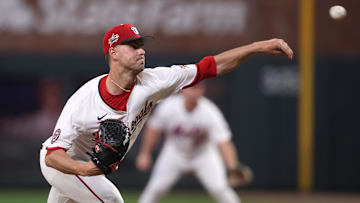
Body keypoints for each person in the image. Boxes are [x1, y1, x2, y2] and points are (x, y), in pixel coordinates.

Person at [39, 23, 293, 203]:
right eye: (132, 45)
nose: (142, 50)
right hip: (65, 164)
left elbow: (210, 67)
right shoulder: (84, 101)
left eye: (141, 45)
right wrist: (84, 170)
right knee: (111, 200)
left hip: (86, 167)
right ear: (113, 53)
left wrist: (256, 47)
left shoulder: (155, 81)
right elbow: (52, 155)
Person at [136, 83, 252, 203]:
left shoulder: (210, 112)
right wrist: (145, 153)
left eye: (197, 89)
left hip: (203, 155)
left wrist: (232, 166)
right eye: (190, 88)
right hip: (175, 152)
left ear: (202, 91)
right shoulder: (169, 106)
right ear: (183, 90)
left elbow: (224, 142)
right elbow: (153, 129)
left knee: (219, 188)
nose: (193, 92)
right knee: (155, 189)